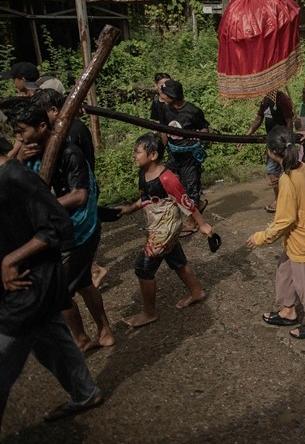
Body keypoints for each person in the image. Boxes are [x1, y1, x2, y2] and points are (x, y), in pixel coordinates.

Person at [0, 135, 103, 425]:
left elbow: (58, 224)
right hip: (26, 287)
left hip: (30, 286)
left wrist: (12, 258)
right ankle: (85, 393)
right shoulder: (10, 172)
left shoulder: (16, 176)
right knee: (53, 342)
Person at [9, 104, 114, 352]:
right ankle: (104, 331)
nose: (19, 137)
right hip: (54, 229)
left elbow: (79, 196)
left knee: (58, 294)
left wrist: (44, 205)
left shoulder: (69, 153)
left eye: (22, 131)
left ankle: (80, 339)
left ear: (42, 126)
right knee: (84, 282)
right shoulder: (31, 152)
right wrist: (20, 159)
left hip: (79, 229)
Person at [248, 127, 305, 339]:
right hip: (299, 237)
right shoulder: (303, 167)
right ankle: (288, 311)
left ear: (271, 151)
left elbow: (284, 220)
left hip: (303, 240)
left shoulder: (287, 180)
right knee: (285, 271)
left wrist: (261, 237)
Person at [117, 133, 212, 327]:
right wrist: (130, 209)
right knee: (175, 259)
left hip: (166, 229)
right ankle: (197, 292)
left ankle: (149, 312)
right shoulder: (143, 173)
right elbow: (146, 197)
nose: (134, 155)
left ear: (152, 155)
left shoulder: (168, 178)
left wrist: (203, 225)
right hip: (157, 226)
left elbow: (186, 202)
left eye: (138, 152)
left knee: (143, 269)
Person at [159, 80, 210, 232]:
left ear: (173, 96)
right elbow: (163, 129)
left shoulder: (193, 111)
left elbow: (205, 130)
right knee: (169, 182)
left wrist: (198, 135)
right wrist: (164, 147)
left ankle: (191, 221)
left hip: (189, 155)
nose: (162, 97)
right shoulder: (165, 109)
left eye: (165, 95)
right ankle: (198, 205)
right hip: (173, 153)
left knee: (191, 186)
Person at [240, 86, 294, 213]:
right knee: (272, 171)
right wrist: (247, 135)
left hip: (282, 141)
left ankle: (284, 200)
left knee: (285, 171)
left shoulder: (282, 99)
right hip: (271, 142)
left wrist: (289, 142)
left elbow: (289, 122)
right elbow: (259, 119)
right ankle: (280, 198)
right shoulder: (265, 101)